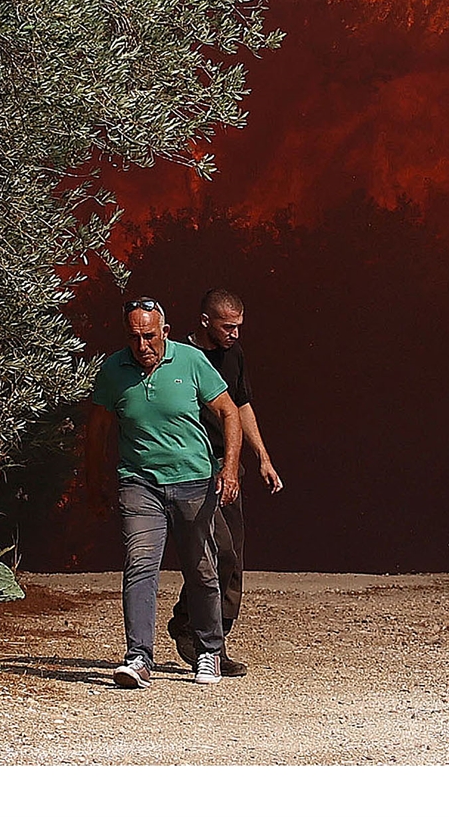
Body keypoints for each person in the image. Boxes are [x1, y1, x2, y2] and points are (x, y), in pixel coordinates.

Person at [87, 297, 241, 688]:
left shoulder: (190, 361)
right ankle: (138, 657)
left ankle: (208, 651)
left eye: (150, 337)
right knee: (140, 565)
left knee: (201, 568)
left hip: (193, 481)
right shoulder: (113, 369)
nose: (143, 346)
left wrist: (230, 468)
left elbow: (229, 411)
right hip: (139, 483)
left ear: (165, 332)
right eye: (135, 337)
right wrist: (94, 480)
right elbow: (98, 429)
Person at [166, 288, 281, 676]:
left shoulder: (234, 355)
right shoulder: (181, 358)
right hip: (194, 472)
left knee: (234, 561)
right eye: (227, 326)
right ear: (205, 322)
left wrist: (261, 456)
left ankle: (211, 639)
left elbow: (241, 405)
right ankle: (197, 631)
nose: (234, 333)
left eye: (238, 326)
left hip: (229, 467)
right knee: (219, 554)